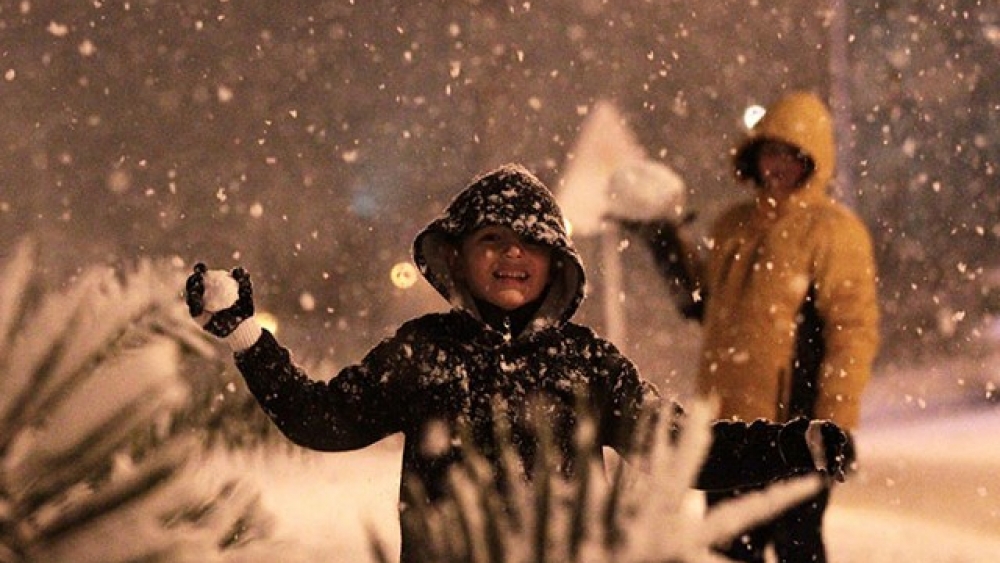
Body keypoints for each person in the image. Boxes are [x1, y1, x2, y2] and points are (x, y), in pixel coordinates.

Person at [185, 163, 853, 563]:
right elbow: (321, 419)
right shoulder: (424, 353)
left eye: (530, 243)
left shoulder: (586, 363)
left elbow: (683, 447)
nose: (512, 256)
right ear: (459, 255)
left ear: (556, 262)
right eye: (492, 239)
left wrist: (795, 441)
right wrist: (245, 334)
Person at [621, 92, 880, 563]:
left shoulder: (834, 233)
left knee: (796, 547)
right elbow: (702, 304)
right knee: (727, 548)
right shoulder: (734, 225)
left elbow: (852, 334)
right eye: (770, 150)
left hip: (796, 429)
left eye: (791, 152)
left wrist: (836, 423)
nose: (777, 164)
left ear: (813, 160)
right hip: (729, 433)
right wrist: (663, 239)